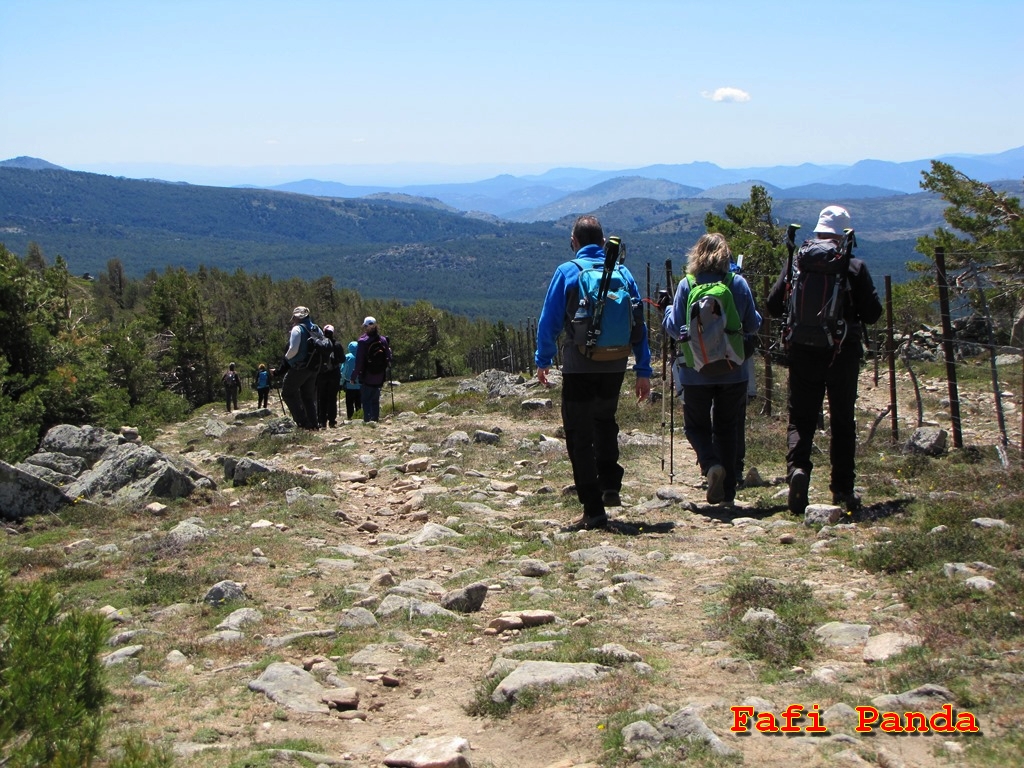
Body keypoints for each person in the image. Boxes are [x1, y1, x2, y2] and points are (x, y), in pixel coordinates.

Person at [535, 214, 652, 531]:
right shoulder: (623, 272)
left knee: (578, 435)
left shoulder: (568, 271)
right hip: (615, 363)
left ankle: (593, 508)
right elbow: (638, 325)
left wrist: (542, 359)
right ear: (602, 242)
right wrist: (643, 369)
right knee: (605, 421)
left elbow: (549, 322)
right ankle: (610, 482)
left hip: (580, 365)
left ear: (574, 242)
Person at [766, 205, 883, 514]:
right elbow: (872, 314)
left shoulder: (798, 263)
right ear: (845, 234)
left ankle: (798, 471)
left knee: (801, 418)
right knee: (842, 420)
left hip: (802, 352)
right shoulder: (852, 266)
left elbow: (773, 306)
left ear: (817, 231)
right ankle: (842, 489)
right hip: (841, 353)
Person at [662, 233, 761, 506]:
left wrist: (668, 310)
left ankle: (710, 464)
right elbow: (753, 324)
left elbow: (674, 328)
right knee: (728, 428)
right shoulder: (737, 283)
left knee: (695, 426)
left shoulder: (687, 284)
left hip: (695, 371)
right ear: (725, 256)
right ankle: (728, 491)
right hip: (733, 370)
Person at [279, 306, 320, 430]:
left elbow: (293, 349)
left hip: (299, 367)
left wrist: (285, 360)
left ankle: (302, 422)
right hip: (314, 367)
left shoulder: (297, 329)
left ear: (296, 317)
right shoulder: (316, 328)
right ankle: (314, 424)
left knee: (287, 393)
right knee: (308, 396)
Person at [354, 317, 391, 422]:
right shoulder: (383, 340)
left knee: (366, 400)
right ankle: (375, 419)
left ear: (365, 327)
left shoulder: (362, 341)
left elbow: (359, 362)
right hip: (379, 375)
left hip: (367, 375)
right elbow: (389, 357)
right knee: (375, 399)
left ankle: (368, 420)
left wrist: (354, 376)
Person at [316, 324, 344, 428]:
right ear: (333, 333)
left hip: (321, 374)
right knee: (332, 398)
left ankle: (322, 421)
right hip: (334, 374)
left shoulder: (320, 344)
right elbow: (342, 359)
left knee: (321, 398)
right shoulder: (337, 344)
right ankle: (332, 421)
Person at [340, 340, 362, 420]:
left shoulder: (347, 357)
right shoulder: (361, 356)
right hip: (360, 384)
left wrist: (341, 382)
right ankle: (359, 417)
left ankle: (350, 417)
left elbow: (343, 370)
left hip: (349, 384)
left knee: (349, 403)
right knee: (358, 402)